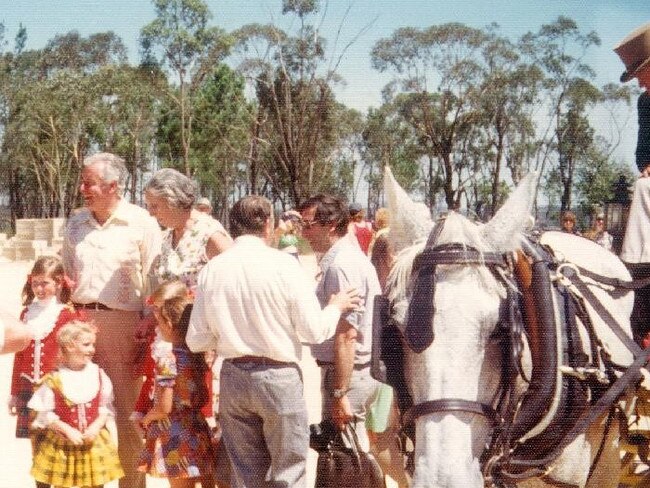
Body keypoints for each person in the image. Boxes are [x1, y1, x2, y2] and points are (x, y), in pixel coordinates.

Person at [187, 195, 362, 487]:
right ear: (268, 225)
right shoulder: (284, 265)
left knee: (246, 476)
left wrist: (230, 331)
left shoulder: (212, 270)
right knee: (288, 474)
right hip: (278, 377)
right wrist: (336, 306)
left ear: (233, 227)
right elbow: (314, 331)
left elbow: (197, 339)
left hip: (233, 375)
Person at [62, 152, 162, 488]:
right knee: (83, 410)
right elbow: (66, 274)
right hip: (81, 324)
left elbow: (153, 277)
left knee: (128, 415)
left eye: (88, 182)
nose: (82, 189)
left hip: (126, 327)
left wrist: (148, 322)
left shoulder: (141, 222)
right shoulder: (75, 223)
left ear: (113, 186)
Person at [298, 194, 383, 452]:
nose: (303, 234)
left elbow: (347, 336)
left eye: (308, 225)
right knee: (374, 455)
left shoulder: (341, 265)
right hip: (360, 373)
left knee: (343, 458)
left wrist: (339, 393)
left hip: (349, 375)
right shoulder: (347, 259)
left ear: (331, 225)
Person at [138, 280, 215, 488]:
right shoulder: (197, 355)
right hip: (197, 428)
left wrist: (147, 419)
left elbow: (164, 407)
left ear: (169, 325)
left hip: (174, 433)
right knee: (206, 480)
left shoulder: (167, 359)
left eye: (160, 322)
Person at [28, 320, 124, 488]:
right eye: (86, 344)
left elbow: (105, 409)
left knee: (94, 483)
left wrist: (95, 427)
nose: (92, 349)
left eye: (93, 344)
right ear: (70, 346)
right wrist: (67, 429)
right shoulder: (55, 379)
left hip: (92, 441)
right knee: (62, 483)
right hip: (64, 443)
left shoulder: (98, 375)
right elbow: (46, 414)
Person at [10, 256, 84, 446]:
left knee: (57, 441)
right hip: (28, 386)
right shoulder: (26, 313)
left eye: (45, 283)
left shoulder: (66, 314)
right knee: (36, 442)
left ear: (58, 282)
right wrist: (15, 393)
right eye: (35, 283)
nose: (39, 289)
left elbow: (73, 355)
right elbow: (20, 355)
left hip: (54, 386)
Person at [615, 23, 650, 343]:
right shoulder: (645, 103)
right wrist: (647, 166)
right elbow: (643, 149)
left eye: (641, 72)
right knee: (643, 185)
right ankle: (639, 269)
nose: (639, 80)